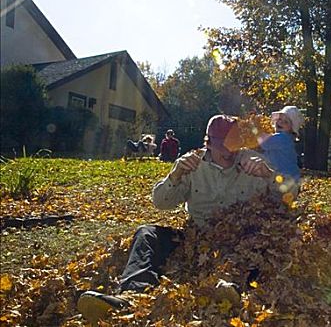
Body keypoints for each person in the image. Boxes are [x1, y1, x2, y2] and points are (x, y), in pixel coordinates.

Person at [77, 115, 281, 324]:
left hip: (239, 242)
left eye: (233, 144)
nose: (228, 151)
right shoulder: (191, 163)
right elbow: (161, 203)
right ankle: (132, 295)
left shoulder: (254, 161)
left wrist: (269, 175)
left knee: (263, 244)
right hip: (196, 239)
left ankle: (232, 291)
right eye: (222, 144)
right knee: (147, 233)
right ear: (208, 142)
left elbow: (289, 198)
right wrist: (174, 176)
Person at [258, 106, 305, 192]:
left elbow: (263, 143)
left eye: (286, 122)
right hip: (287, 178)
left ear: (292, 129)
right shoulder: (281, 138)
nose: (281, 122)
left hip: (286, 178)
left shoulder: (283, 138)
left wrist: (255, 130)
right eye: (280, 119)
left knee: (277, 198)